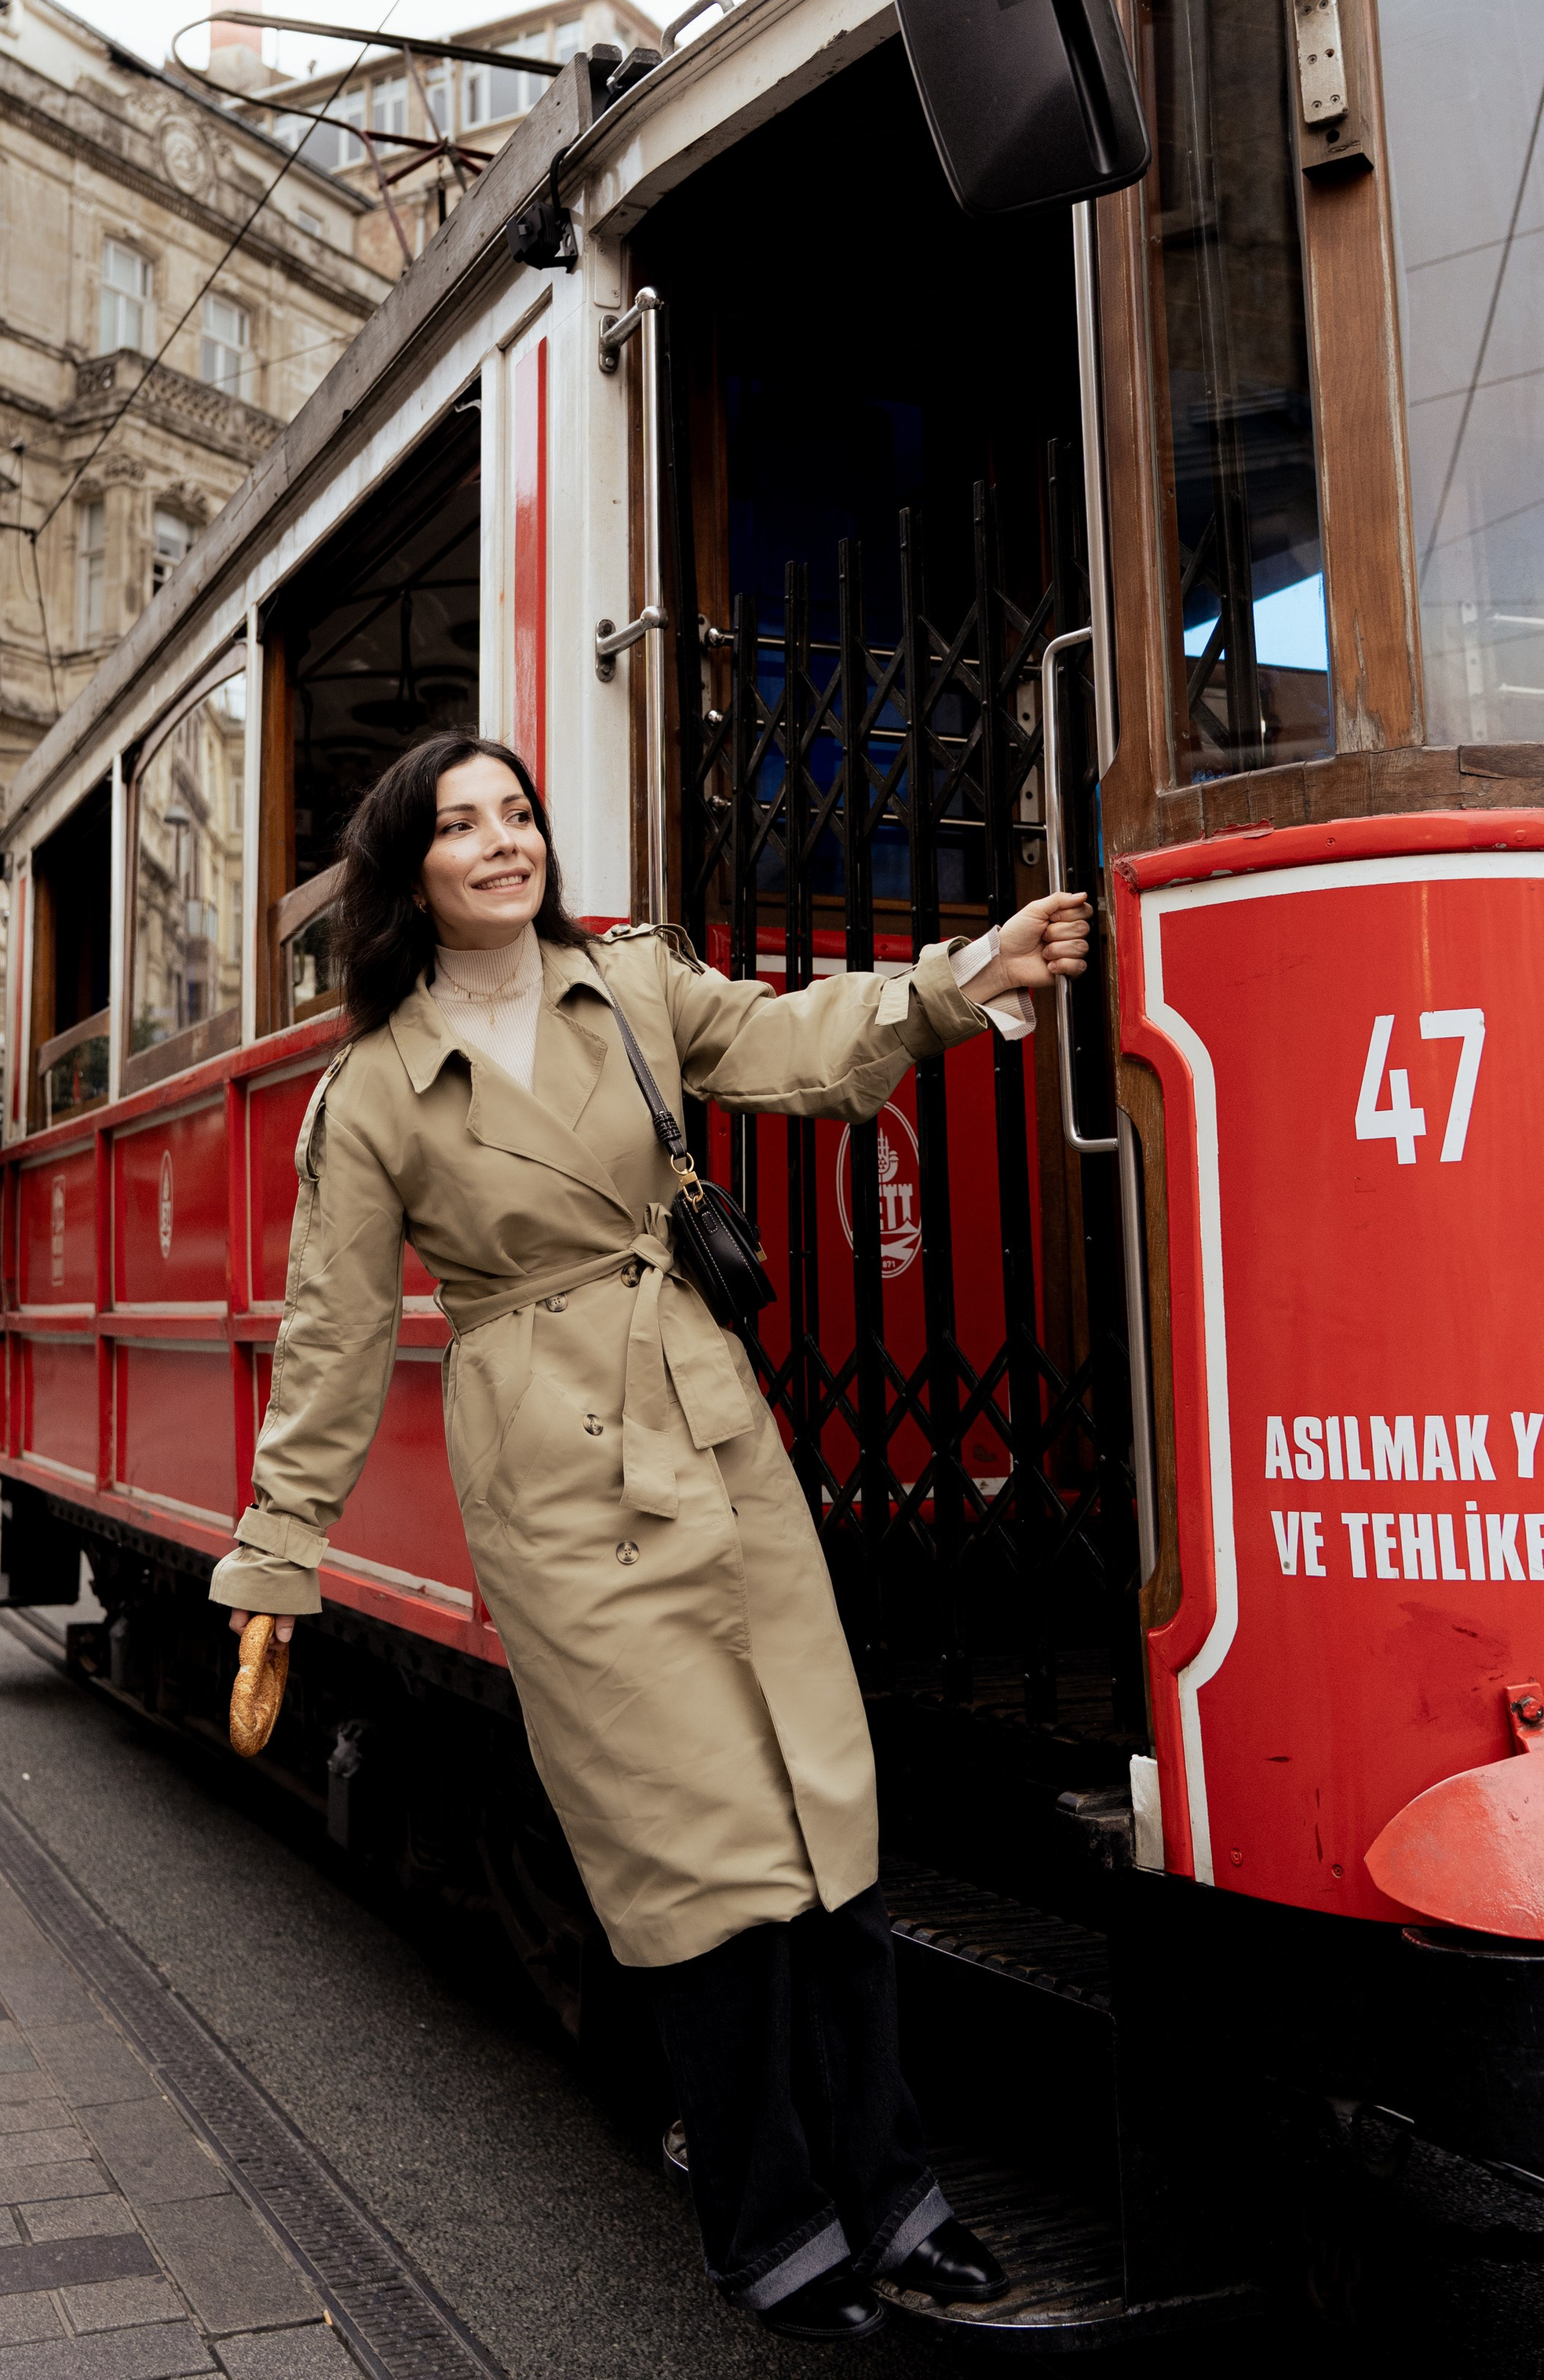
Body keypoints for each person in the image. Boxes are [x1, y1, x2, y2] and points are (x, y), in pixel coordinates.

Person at [210, 733, 1091, 2342]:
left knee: (823, 1825)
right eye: (462, 825)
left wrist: (966, 975)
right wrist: (277, 1564)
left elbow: (794, 1040)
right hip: (556, 1483)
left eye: (519, 814)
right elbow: (328, 1338)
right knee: (698, 1872)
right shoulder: (374, 1092)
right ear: (406, 869)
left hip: (711, 1432)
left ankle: (896, 2200)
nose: (503, 843)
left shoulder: (624, 985)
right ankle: (767, 2225)